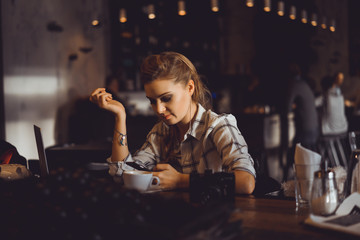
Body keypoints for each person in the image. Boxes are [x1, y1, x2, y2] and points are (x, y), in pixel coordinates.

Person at [90, 51, 256, 194]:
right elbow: (123, 176)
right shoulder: (161, 132)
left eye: (166, 98)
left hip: (220, 221)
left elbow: (246, 182)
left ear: (189, 88)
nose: (159, 109)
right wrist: (120, 116)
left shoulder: (219, 126)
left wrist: (181, 181)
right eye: (152, 101)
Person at [280, 63, 319, 180]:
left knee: (293, 154)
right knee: (299, 155)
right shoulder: (303, 83)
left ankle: (285, 182)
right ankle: (292, 180)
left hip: (306, 130)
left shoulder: (293, 85)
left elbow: (286, 107)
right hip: (314, 129)